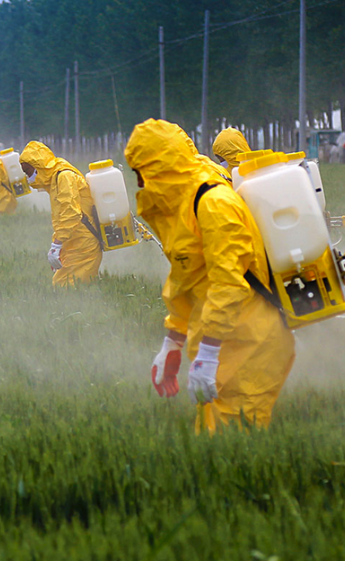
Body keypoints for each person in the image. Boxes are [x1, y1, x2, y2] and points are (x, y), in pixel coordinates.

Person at [124, 119, 295, 433]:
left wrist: (209, 351)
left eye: (140, 173)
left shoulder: (213, 203)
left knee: (233, 450)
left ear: (162, 167)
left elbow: (229, 282)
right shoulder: (183, 206)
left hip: (251, 346)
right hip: (225, 343)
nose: (138, 183)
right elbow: (187, 280)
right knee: (212, 444)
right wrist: (173, 342)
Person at [19, 141, 102, 287]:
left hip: (84, 245)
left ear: (39, 166)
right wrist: (59, 249)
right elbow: (61, 219)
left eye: (28, 172)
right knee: (64, 287)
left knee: (68, 289)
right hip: (75, 242)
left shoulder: (64, 177)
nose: (28, 177)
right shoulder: (55, 181)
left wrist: (57, 245)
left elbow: (71, 214)